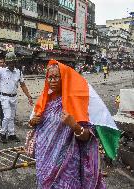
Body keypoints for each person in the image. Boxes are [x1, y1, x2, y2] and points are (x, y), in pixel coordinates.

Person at [29, 59, 121, 188]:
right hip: (44, 160)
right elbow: (34, 124)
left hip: (67, 163)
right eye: (50, 77)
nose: (52, 81)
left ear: (65, 78)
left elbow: (87, 137)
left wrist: (74, 125)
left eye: (56, 77)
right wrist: (33, 121)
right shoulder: (44, 100)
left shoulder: (75, 101)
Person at [0, 52, 33, 143]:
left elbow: (23, 85)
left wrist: (29, 96)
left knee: (12, 117)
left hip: (14, 97)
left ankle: (11, 134)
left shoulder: (18, 72)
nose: (11, 64)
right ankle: (2, 133)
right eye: (9, 62)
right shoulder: (1, 71)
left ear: (15, 62)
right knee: (7, 116)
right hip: (4, 97)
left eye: (12, 62)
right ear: (6, 62)